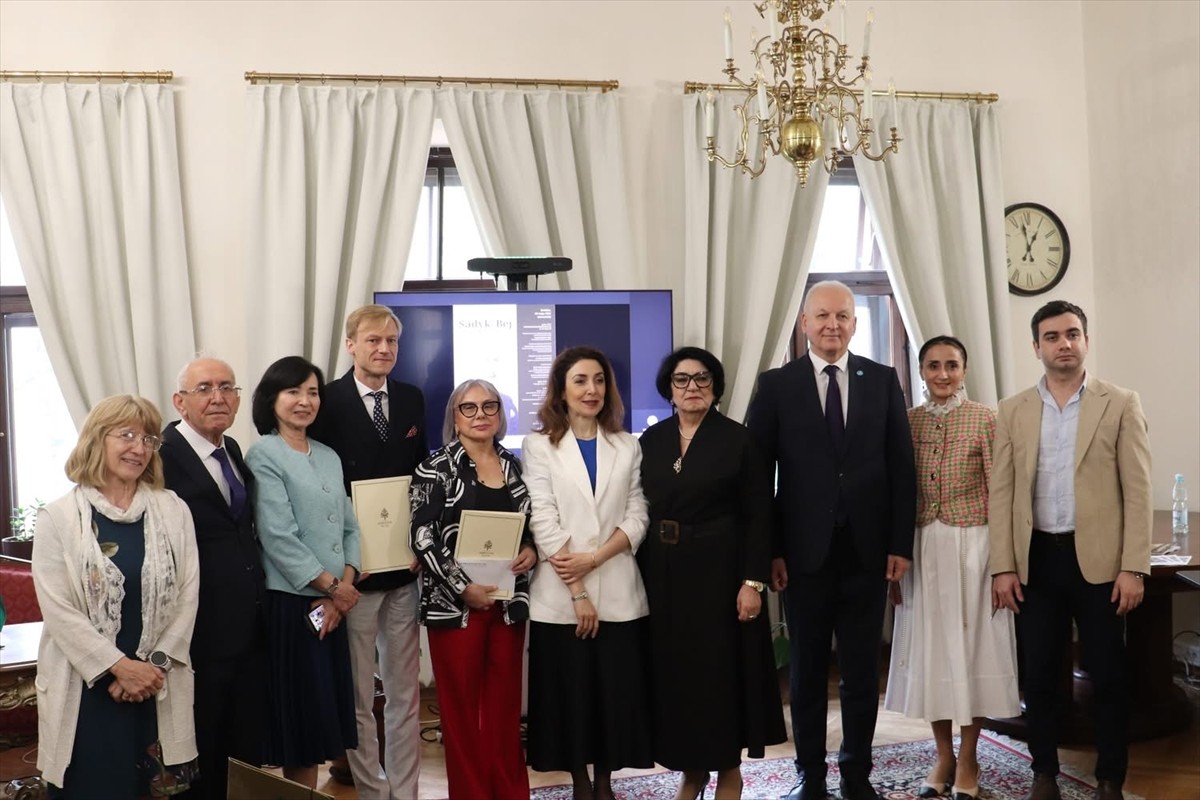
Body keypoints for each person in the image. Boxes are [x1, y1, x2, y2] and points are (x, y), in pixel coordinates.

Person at [746, 280, 917, 800]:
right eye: (821, 316)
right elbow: (759, 478)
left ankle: (856, 775)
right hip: (802, 557)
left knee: (862, 672)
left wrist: (899, 545)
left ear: (854, 323)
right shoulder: (776, 385)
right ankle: (811, 777)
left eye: (842, 316)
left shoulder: (883, 380)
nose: (832, 325)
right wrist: (771, 551)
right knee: (806, 672)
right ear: (804, 323)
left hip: (868, 554)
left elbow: (901, 470)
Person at [990, 301, 1152, 800]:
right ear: (1035, 346)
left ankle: (1109, 778)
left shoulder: (1120, 402)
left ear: (1086, 340)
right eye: (1053, 336)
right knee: (1037, 675)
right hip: (1036, 558)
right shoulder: (1012, 409)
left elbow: (1139, 490)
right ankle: (1043, 773)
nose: (1065, 343)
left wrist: (1133, 567)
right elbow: (1002, 490)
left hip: (1101, 563)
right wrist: (1003, 566)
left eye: (1073, 334)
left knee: (1107, 676)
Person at [31, 395, 200, 798]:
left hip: (159, 683)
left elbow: (188, 595)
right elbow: (59, 611)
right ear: (95, 439)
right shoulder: (58, 518)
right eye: (127, 435)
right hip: (87, 694)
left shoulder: (173, 509)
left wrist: (150, 667)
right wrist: (119, 668)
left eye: (149, 439)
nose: (139, 448)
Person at [638, 346, 786, 800]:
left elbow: (760, 516)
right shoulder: (652, 441)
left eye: (702, 379)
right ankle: (692, 769)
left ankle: (728, 770)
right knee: (677, 676)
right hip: (662, 574)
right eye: (682, 380)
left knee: (720, 676)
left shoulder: (739, 440)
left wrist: (752, 582)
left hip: (722, 576)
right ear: (668, 389)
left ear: (716, 388)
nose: (693, 388)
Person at [883, 336, 1019, 800]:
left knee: (972, 648)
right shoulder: (906, 422)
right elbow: (896, 494)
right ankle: (942, 754)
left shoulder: (985, 418)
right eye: (933, 365)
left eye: (952, 365)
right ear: (920, 370)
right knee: (934, 652)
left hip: (974, 547)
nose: (943, 374)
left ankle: (969, 756)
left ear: (965, 369)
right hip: (921, 548)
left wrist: (1004, 565)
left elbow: (1002, 494)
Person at [523, 345, 653, 800]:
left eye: (599, 380)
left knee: (612, 696)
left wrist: (594, 559)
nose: (591, 389)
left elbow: (638, 514)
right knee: (570, 696)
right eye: (580, 380)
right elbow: (543, 520)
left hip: (619, 590)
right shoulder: (538, 446)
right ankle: (579, 781)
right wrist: (578, 590)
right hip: (559, 598)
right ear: (561, 389)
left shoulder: (627, 444)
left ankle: (605, 782)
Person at [309, 304, 428, 799]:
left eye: (392, 342)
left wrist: (421, 542)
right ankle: (372, 791)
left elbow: (422, 480)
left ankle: (406, 792)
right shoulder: (325, 402)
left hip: (403, 569)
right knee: (358, 695)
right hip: (352, 578)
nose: (384, 350)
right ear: (350, 344)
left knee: (405, 695)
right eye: (373, 340)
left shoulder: (412, 399)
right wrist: (336, 575)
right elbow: (320, 492)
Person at [409, 379, 538, 800]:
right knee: (461, 712)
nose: (480, 414)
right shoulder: (435, 468)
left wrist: (531, 552)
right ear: (454, 417)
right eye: (469, 407)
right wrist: (464, 588)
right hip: (455, 608)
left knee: (504, 708)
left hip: (506, 605)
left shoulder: (515, 465)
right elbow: (423, 539)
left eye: (489, 406)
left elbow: (529, 529)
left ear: (501, 414)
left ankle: (511, 792)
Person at [245, 356, 362, 789]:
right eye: (293, 391)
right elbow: (277, 536)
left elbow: (351, 528)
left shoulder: (329, 456)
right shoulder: (265, 454)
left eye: (312, 392)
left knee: (318, 727)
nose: (304, 400)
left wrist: (342, 589)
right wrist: (333, 588)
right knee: (298, 727)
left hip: (333, 604)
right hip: (291, 607)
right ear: (272, 399)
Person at [160, 357, 266, 800]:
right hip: (197, 631)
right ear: (180, 401)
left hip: (246, 627)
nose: (218, 397)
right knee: (200, 749)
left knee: (242, 745)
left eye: (227, 387)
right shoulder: (162, 458)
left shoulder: (233, 450)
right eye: (205, 388)